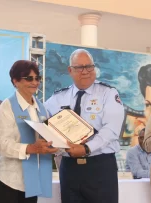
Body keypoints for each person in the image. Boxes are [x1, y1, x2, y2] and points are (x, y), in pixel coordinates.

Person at [44, 49, 125, 203]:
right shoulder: (58, 97)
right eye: (80, 67)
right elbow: (37, 114)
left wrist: (86, 148)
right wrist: (3, 107)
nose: (85, 71)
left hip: (99, 166)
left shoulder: (107, 93)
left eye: (89, 66)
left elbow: (111, 130)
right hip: (69, 168)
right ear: (70, 70)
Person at [0, 60, 58, 203]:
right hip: (7, 178)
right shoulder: (7, 107)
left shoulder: (42, 108)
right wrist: (30, 148)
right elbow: (2, 144)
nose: (35, 82)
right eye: (29, 78)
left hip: (30, 180)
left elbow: (47, 137)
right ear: (16, 81)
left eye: (37, 78)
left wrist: (58, 143)